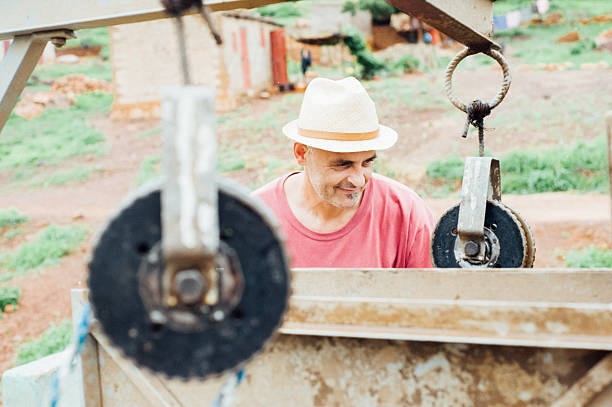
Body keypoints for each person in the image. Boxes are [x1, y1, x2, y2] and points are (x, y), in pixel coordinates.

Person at [254, 77, 435, 268]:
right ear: (301, 153)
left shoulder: (407, 213)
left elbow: (431, 294)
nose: (358, 181)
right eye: (342, 165)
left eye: (367, 162)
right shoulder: (255, 220)